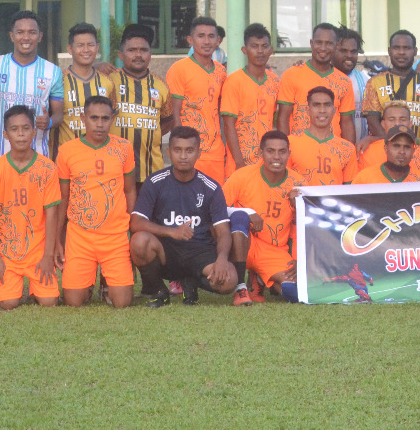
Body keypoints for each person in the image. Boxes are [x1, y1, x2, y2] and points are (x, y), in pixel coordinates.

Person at [131, 126, 239, 307]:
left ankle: (191, 281)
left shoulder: (211, 187)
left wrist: (221, 259)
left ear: (198, 153)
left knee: (229, 281)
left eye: (189, 150)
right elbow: (136, 222)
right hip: (167, 251)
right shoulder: (155, 182)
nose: (183, 156)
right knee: (139, 241)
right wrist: (171, 232)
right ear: (169, 152)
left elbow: (223, 232)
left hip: (199, 252)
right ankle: (159, 290)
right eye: (177, 150)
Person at [55, 95, 137, 308]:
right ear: (83, 118)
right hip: (80, 237)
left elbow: (130, 190)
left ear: (112, 119)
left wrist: (132, 229)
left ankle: (107, 282)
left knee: (122, 303)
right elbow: (63, 198)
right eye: (94, 118)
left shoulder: (124, 148)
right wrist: (58, 238)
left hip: (115, 236)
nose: (100, 124)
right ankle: (89, 282)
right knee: (73, 302)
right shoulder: (67, 150)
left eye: (105, 118)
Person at [0, 105, 61, 309]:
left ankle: (37, 288)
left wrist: (48, 256)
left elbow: (52, 214)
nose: (21, 134)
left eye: (26, 128)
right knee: (8, 303)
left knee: (49, 302)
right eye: (14, 129)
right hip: (8, 253)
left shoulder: (47, 168)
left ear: (34, 132)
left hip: (38, 251)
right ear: (5, 135)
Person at [224, 130, 304, 303]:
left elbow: (302, 226)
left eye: (282, 152)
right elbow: (217, 210)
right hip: (244, 243)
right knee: (239, 221)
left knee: (297, 293)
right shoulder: (242, 176)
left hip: (274, 250)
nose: (276, 157)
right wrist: (247, 213)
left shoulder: (298, 184)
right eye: (270, 151)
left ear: (289, 154)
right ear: (261, 153)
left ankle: (259, 278)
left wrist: (298, 258)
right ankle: (241, 288)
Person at [0, 10, 63, 163]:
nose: (26, 37)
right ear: (12, 36)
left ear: (40, 36)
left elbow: (59, 114)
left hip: (38, 159)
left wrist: (49, 122)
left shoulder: (52, 71)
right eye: (20, 32)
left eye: (32, 32)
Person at [167, 16, 229, 181]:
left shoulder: (221, 72)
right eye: (201, 36)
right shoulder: (179, 69)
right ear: (190, 40)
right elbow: (174, 112)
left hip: (215, 152)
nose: (206, 41)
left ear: (217, 40)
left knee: (215, 195)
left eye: (211, 36)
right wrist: (180, 149)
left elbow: (222, 113)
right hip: (189, 153)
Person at [111, 24, 173, 185]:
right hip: (115, 171)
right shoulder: (109, 81)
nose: (138, 55)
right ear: (121, 55)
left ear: (150, 54)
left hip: (152, 172)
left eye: (143, 50)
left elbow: (167, 121)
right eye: (132, 50)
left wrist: (147, 132)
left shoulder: (161, 85)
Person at [276, 22, 357, 143]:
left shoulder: (344, 82)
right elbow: (283, 117)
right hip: (299, 148)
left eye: (329, 43)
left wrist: (349, 151)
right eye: (319, 42)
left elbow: (347, 123)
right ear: (311, 43)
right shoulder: (291, 75)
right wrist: (285, 148)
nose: (323, 48)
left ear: (336, 46)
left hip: (332, 149)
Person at [362, 30, 420, 139]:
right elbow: (373, 122)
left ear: (415, 51)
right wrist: (391, 144)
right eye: (396, 48)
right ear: (389, 51)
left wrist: (418, 145)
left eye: (407, 48)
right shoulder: (374, 83)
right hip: (385, 147)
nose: (401, 52)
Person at [220, 23, 281, 171]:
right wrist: (239, 163)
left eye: (264, 46)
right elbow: (228, 125)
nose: (260, 51)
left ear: (271, 50)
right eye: (254, 46)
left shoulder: (274, 81)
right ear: (244, 50)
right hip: (240, 163)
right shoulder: (234, 81)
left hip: (267, 162)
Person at [53, 23, 114, 150]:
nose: (86, 50)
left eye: (90, 45)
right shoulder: (58, 82)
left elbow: (111, 120)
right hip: (66, 157)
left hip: (99, 157)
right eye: (80, 45)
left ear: (97, 48)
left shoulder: (107, 82)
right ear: (70, 49)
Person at [287, 86, 358, 185]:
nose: (322, 110)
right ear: (307, 110)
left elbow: (350, 190)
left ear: (334, 111)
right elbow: (283, 184)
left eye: (327, 105)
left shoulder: (347, 149)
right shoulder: (290, 144)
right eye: (316, 105)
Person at [358, 102, 420, 178]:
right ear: (383, 124)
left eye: (403, 119)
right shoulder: (366, 151)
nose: (397, 123)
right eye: (391, 119)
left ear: (410, 124)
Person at [353, 125, 420, 184]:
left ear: (413, 151)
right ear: (386, 148)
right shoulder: (364, 179)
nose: (402, 151)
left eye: (407, 147)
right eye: (396, 146)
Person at [335, 28, 371, 140]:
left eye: (353, 51)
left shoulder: (366, 81)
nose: (349, 55)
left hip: (360, 148)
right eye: (343, 51)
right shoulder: (321, 79)